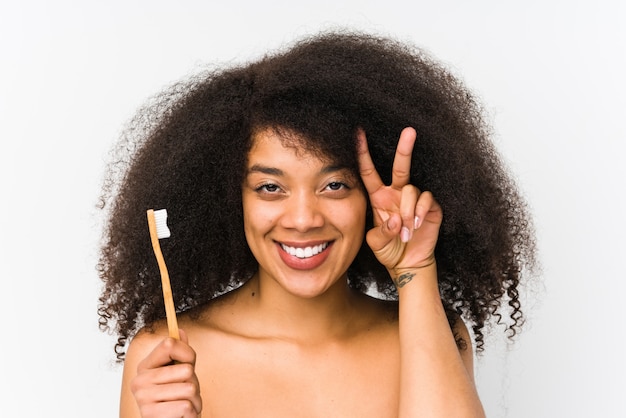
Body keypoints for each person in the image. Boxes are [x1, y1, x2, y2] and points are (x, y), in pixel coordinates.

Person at [97, 30, 537, 417]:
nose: (304, 219)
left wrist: (415, 270)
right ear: (231, 201)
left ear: (368, 199)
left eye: (335, 186)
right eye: (270, 188)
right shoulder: (168, 358)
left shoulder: (427, 335)